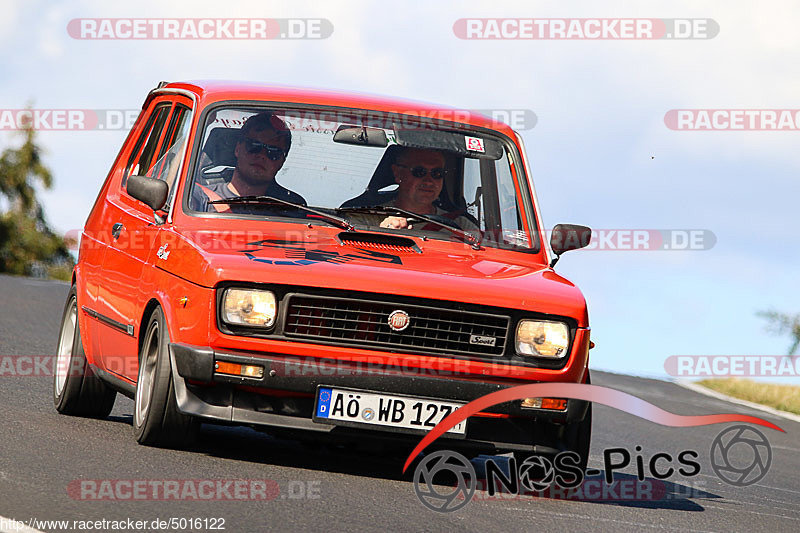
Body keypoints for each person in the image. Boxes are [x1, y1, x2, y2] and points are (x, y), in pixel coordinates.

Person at [192, 112, 306, 213]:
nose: (261, 155)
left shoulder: (293, 208)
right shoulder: (200, 198)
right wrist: (197, 126)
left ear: (282, 162)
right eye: (254, 146)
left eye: (273, 152)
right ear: (237, 149)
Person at [351, 147, 478, 231]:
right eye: (419, 172)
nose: (429, 181)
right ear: (397, 173)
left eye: (437, 173)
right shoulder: (362, 220)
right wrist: (381, 233)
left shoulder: (463, 228)